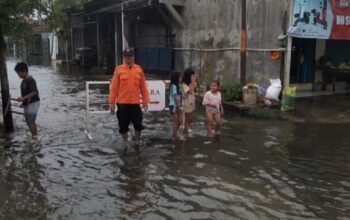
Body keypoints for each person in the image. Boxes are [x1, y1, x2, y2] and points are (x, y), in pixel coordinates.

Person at [109, 48, 149, 148]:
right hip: (122, 104)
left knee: (138, 125)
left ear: (133, 57)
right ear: (123, 57)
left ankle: (137, 141)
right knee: (123, 126)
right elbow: (114, 88)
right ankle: (125, 143)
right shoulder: (118, 70)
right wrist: (112, 103)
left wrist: (145, 101)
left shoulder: (139, 70)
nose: (128, 59)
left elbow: (143, 87)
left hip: (135, 103)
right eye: (126, 56)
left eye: (130, 56)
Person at [14, 62, 40, 144]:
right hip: (27, 103)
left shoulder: (30, 80)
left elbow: (34, 92)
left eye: (19, 73)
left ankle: (35, 138)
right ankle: (34, 135)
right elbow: (25, 94)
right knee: (28, 120)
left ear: (25, 71)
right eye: (17, 73)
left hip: (34, 102)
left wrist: (23, 98)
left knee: (31, 120)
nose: (18, 75)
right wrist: (23, 102)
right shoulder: (23, 81)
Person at [181, 68, 197, 140]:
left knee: (190, 119)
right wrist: (193, 83)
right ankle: (185, 134)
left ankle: (185, 130)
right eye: (193, 75)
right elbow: (189, 92)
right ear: (189, 76)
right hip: (187, 103)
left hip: (192, 102)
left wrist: (195, 81)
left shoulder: (192, 83)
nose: (194, 76)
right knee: (187, 119)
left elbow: (196, 88)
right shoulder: (184, 84)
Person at [168, 71, 182, 140]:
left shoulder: (174, 86)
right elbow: (175, 96)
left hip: (174, 105)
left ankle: (174, 133)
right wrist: (178, 106)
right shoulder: (174, 86)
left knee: (179, 121)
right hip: (174, 105)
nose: (180, 78)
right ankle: (174, 136)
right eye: (179, 77)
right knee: (176, 121)